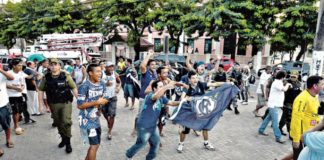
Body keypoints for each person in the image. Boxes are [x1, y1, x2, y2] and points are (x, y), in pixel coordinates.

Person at [126, 80, 181, 160]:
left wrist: (182, 102)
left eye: (163, 86)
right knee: (141, 143)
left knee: (156, 144)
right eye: (160, 86)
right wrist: (167, 86)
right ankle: (129, 155)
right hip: (143, 126)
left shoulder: (162, 98)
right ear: (154, 89)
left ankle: (149, 158)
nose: (162, 88)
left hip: (153, 126)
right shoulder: (150, 95)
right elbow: (155, 96)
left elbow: (171, 103)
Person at [177, 70, 229, 153]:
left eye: (197, 77)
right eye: (193, 78)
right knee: (186, 130)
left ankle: (206, 143)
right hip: (190, 112)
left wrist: (227, 84)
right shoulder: (187, 88)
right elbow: (182, 98)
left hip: (201, 111)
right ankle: (181, 143)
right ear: (189, 79)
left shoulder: (201, 84)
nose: (195, 79)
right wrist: (187, 98)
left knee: (205, 127)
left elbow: (214, 84)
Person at [38, 58, 78, 153]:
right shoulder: (46, 77)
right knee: (58, 122)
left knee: (66, 121)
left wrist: (80, 101)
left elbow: (74, 88)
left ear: (60, 66)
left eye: (56, 64)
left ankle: (68, 142)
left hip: (65, 103)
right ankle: (63, 138)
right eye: (51, 64)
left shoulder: (66, 76)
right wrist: (41, 105)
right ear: (49, 66)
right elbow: (40, 91)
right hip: (53, 103)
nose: (53, 66)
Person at [77, 63, 109, 160]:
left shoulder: (102, 83)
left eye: (101, 71)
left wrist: (101, 102)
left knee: (96, 145)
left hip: (96, 119)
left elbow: (106, 98)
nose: (100, 73)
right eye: (98, 71)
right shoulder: (84, 86)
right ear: (90, 73)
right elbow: (80, 105)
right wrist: (97, 102)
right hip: (86, 120)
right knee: (94, 146)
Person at [290, 76, 324, 160]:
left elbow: (314, 113)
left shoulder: (315, 96)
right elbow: (296, 119)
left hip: (312, 134)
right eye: (322, 84)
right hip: (302, 137)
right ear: (315, 86)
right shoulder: (302, 98)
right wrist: (296, 139)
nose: (323, 86)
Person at [258, 71, 291, 144]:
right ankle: (278, 137)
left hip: (274, 105)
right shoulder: (277, 83)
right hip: (273, 105)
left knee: (267, 119)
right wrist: (288, 84)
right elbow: (284, 89)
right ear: (282, 77)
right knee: (275, 122)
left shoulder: (278, 82)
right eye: (284, 77)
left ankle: (261, 130)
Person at [131, 50, 157, 136]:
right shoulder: (145, 73)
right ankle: (135, 129)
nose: (154, 66)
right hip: (143, 97)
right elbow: (142, 65)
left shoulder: (155, 74)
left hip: (153, 97)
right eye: (152, 64)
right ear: (148, 66)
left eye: (155, 64)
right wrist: (149, 55)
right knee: (140, 114)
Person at [6, 58, 32, 135]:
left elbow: (22, 82)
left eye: (21, 65)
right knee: (15, 111)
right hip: (10, 96)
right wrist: (15, 88)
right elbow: (4, 85)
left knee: (18, 111)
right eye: (19, 65)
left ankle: (16, 126)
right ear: (14, 66)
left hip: (19, 95)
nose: (21, 67)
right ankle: (16, 126)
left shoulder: (21, 73)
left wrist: (22, 88)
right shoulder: (8, 73)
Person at [101, 62, 121, 140]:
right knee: (104, 112)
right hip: (103, 97)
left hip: (113, 97)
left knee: (112, 115)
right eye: (109, 67)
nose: (111, 68)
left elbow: (119, 82)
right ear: (105, 67)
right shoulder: (101, 74)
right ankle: (108, 121)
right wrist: (105, 84)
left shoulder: (115, 74)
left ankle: (109, 131)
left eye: (112, 67)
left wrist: (118, 87)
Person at [278, 70, 301, 136]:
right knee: (287, 117)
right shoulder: (286, 82)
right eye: (292, 76)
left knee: (288, 117)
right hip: (287, 102)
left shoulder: (299, 83)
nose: (293, 77)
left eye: (294, 76)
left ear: (297, 76)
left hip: (295, 103)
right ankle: (289, 132)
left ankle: (282, 128)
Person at [0, 63, 14, 154]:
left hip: (3, 104)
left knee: (7, 124)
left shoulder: (2, 74)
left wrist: (0, 70)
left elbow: (11, 77)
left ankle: (8, 139)